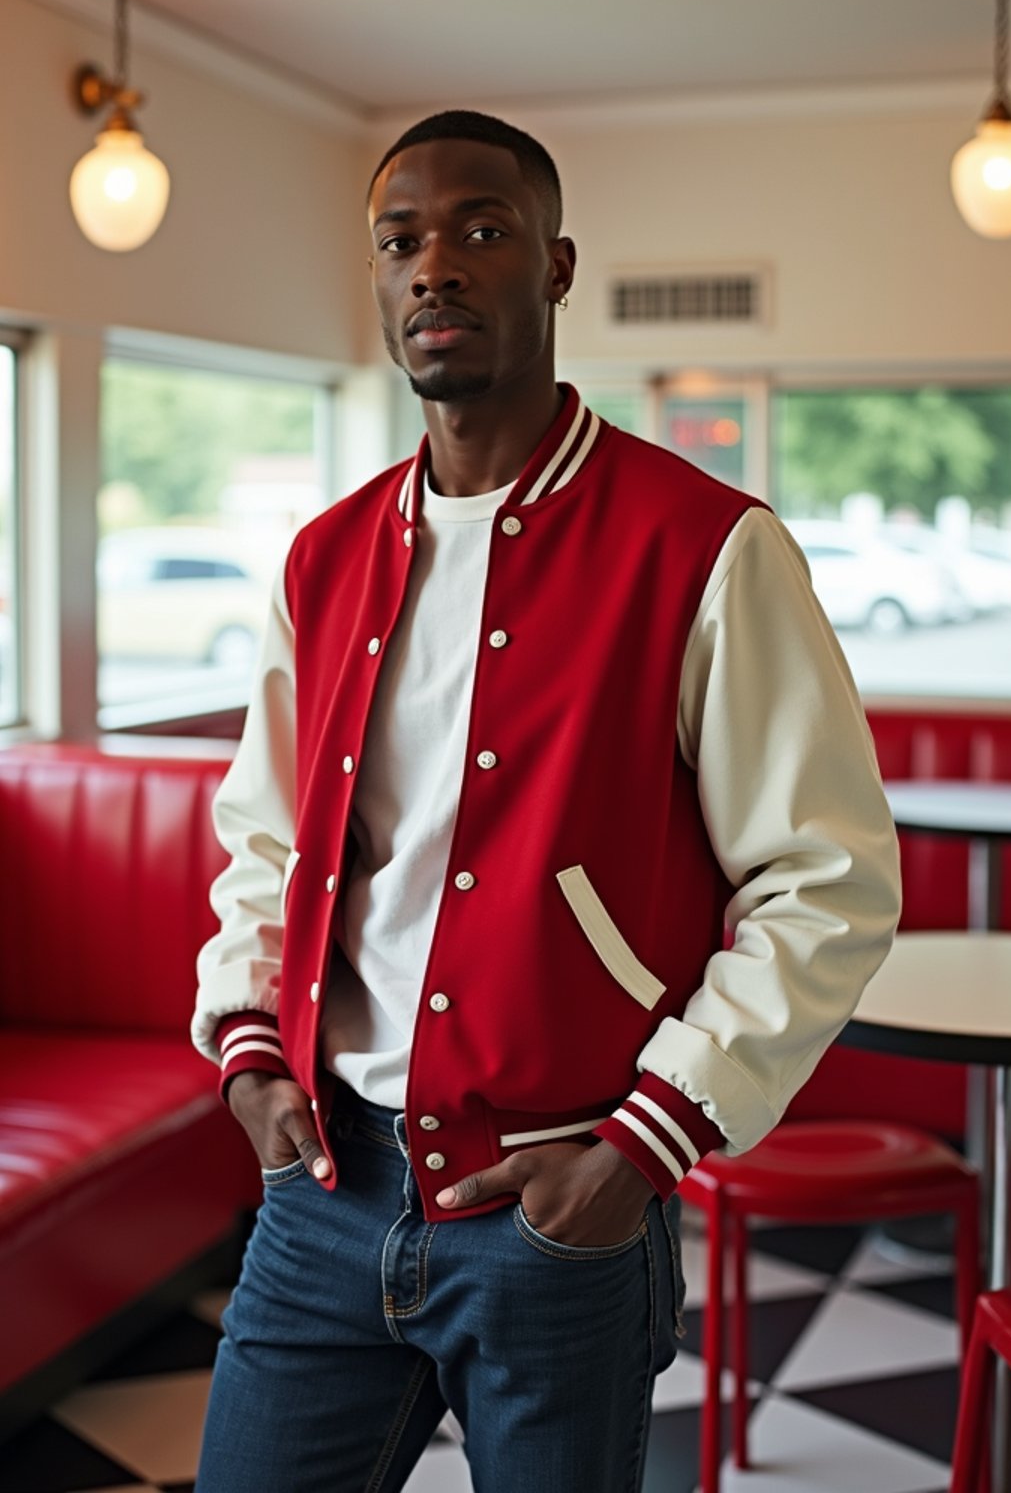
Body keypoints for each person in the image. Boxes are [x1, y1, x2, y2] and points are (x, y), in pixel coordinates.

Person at [190, 109, 901, 1493]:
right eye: (402, 241)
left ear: (558, 267)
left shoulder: (708, 548)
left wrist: (646, 1146)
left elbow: (827, 880)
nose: (434, 267)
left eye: (480, 230)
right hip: (322, 1192)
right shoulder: (322, 561)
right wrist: (249, 1042)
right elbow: (265, 837)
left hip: (556, 1203)